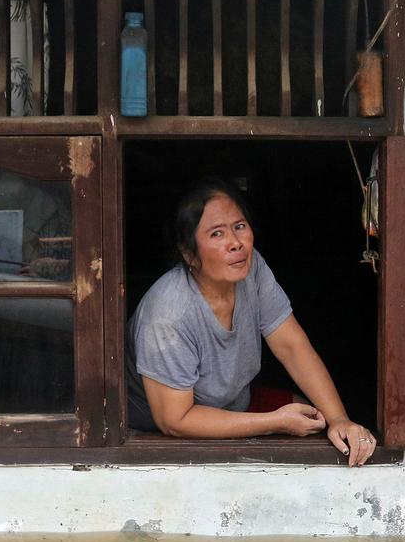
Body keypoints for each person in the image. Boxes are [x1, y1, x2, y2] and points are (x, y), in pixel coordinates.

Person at [125, 179, 377, 466]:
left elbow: (291, 346)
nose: (236, 243)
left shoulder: (250, 268)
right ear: (189, 254)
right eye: (217, 234)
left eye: (240, 226)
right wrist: (273, 422)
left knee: (315, 419)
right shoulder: (168, 314)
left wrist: (339, 419)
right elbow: (176, 420)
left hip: (234, 403)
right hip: (167, 428)